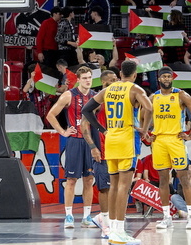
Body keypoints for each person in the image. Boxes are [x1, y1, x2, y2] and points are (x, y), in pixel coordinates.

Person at [82, 60, 152, 245]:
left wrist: (101, 129)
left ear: (120, 74)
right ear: (135, 74)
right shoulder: (136, 89)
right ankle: (119, 231)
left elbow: (86, 110)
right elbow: (149, 108)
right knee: (124, 187)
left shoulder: (107, 90)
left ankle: (112, 230)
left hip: (111, 140)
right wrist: (144, 129)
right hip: (127, 141)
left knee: (113, 185)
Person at [145, 66, 191, 230]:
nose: (166, 79)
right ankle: (166, 217)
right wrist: (146, 132)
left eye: (168, 77)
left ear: (172, 78)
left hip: (176, 140)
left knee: (184, 179)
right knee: (163, 180)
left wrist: (190, 134)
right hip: (159, 141)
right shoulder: (153, 97)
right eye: (163, 77)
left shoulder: (181, 95)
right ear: (159, 79)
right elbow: (143, 115)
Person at [46, 66, 97, 229]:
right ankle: (68, 216)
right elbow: (50, 115)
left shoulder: (96, 96)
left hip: (91, 142)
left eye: (90, 77)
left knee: (89, 180)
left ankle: (87, 216)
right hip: (75, 141)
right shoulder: (69, 95)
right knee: (71, 179)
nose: (88, 80)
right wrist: (63, 131)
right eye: (85, 78)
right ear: (78, 79)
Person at [80, 69, 118, 238]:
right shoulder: (98, 101)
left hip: (118, 149)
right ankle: (106, 225)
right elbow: (84, 125)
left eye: (116, 79)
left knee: (116, 188)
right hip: (101, 151)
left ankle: (104, 219)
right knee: (104, 188)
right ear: (104, 83)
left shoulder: (119, 100)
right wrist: (93, 147)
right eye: (111, 80)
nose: (115, 82)